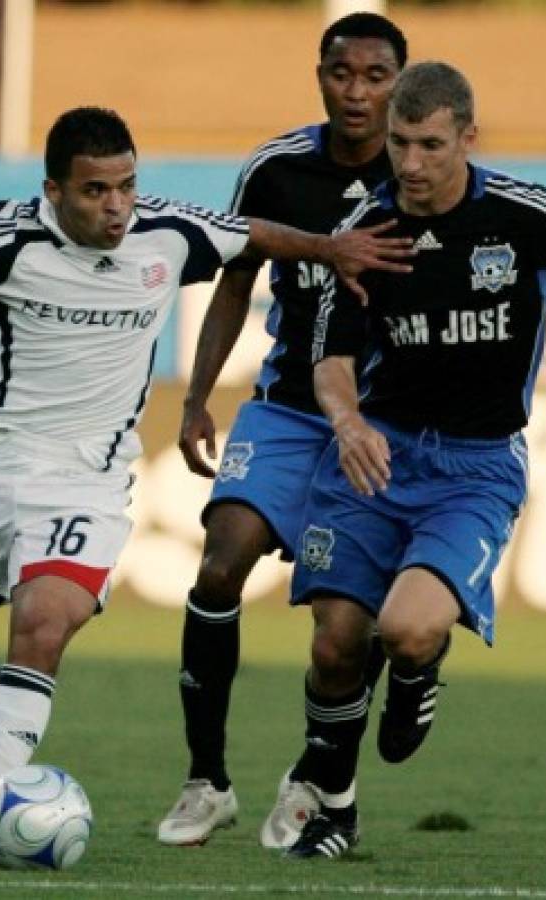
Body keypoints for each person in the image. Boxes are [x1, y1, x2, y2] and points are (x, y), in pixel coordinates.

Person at [0, 106, 411, 866]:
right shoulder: (5, 237)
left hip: (88, 478)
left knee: (43, 624)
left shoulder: (168, 231)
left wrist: (329, 248)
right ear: (54, 191)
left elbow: (256, 236)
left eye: (127, 187)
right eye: (96, 191)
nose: (116, 207)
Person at [277, 60, 546, 859]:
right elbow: (329, 358)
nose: (411, 164)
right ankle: (337, 809)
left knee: (407, 630)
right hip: (377, 457)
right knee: (333, 644)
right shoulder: (365, 227)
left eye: (430, 144)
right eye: (399, 143)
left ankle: (419, 674)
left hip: (474, 467)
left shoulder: (520, 214)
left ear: (468, 137)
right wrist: (348, 420)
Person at [158, 12, 411, 849]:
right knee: (220, 563)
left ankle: (316, 775)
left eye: (377, 77)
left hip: (383, 426)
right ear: (319, 74)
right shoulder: (274, 168)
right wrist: (197, 394)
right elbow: (235, 280)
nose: (358, 92)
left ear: (399, 86)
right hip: (288, 408)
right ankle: (205, 780)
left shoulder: (421, 178)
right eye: (343, 72)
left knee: (348, 626)